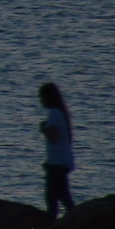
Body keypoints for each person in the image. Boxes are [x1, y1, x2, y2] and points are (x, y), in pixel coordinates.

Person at [37, 82, 75, 219]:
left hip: (57, 163)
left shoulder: (53, 113)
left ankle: (53, 223)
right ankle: (74, 220)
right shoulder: (61, 113)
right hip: (60, 162)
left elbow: (53, 136)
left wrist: (43, 128)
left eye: (41, 97)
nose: (40, 101)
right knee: (63, 196)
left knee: (51, 197)